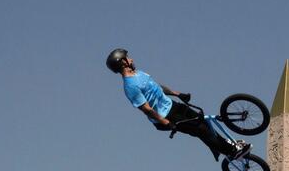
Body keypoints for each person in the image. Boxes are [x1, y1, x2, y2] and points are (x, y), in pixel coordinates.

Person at [106, 48, 250, 159]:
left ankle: (225, 145)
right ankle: (232, 153)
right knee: (201, 130)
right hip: (166, 117)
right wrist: (165, 122)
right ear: (123, 62)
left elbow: (157, 87)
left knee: (205, 122)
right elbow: (146, 109)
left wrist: (178, 94)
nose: (131, 59)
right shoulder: (130, 86)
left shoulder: (139, 73)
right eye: (127, 58)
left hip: (173, 105)